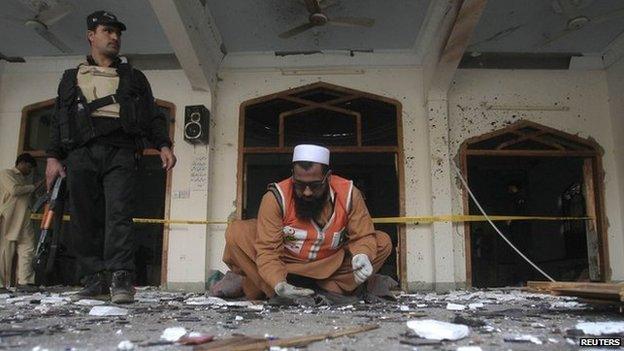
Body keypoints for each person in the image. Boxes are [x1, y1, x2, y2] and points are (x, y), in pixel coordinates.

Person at [45, 11, 176, 303]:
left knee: (119, 214)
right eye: (107, 31)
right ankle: (93, 279)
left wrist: (163, 144)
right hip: (80, 154)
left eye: (118, 33)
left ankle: (120, 279)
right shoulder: (70, 77)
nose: (115, 37)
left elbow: (153, 114)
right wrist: (53, 157)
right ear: (91, 35)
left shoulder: (134, 77)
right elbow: (58, 119)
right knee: (83, 218)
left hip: (122, 150)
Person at [217, 144, 392, 301]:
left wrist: (362, 254)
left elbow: (363, 236)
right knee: (236, 232)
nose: (307, 192)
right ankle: (277, 290)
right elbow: (268, 251)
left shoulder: (349, 194)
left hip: (330, 268)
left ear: (328, 177)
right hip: (284, 265)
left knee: (382, 242)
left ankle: (332, 288)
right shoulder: (275, 198)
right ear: (293, 176)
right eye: (299, 185)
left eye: (315, 185)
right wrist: (278, 283)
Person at [0, 153, 43, 292]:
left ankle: (25, 282)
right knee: (5, 251)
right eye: (29, 167)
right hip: (9, 217)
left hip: (24, 218)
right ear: (22, 163)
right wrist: (34, 186)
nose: (29, 170)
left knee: (28, 248)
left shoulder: (24, 180)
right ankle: (2, 285)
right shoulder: (7, 173)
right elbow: (14, 190)